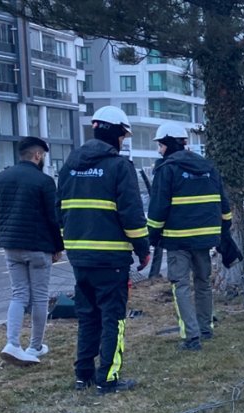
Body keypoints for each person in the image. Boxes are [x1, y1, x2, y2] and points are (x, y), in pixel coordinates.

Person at [58, 106, 150, 394]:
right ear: (116, 134)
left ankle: (82, 374)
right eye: (123, 136)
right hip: (111, 260)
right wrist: (143, 249)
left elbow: (60, 212)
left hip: (80, 257)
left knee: (87, 316)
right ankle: (108, 378)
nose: (123, 142)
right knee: (113, 318)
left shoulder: (69, 166)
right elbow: (132, 215)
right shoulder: (119, 167)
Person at [146, 122, 232, 351]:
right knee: (203, 283)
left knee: (180, 285)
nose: (159, 151)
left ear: (168, 144)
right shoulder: (207, 167)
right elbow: (224, 202)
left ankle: (191, 337)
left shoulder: (167, 169)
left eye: (161, 146)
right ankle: (206, 329)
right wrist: (225, 230)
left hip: (177, 239)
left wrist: (150, 237)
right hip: (204, 239)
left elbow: (157, 209)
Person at [0, 137, 64, 366]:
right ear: (38, 155)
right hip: (39, 247)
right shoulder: (44, 181)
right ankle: (35, 346)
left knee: (18, 294)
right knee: (39, 296)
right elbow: (53, 218)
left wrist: (7, 235)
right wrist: (58, 246)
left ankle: (12, 343)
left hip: (12, 247)